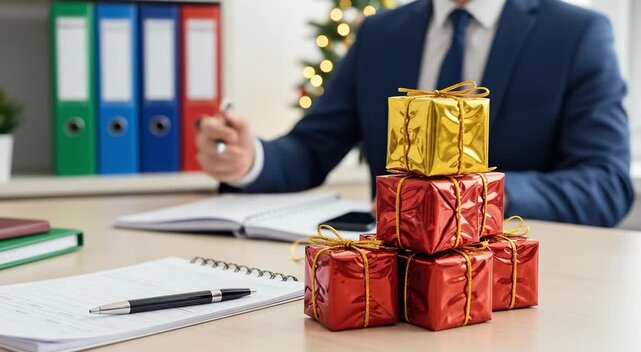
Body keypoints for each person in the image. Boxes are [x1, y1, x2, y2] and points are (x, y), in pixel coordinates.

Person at [196, 0, 634, 227]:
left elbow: (605, 185)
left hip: (517, 286)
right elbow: (311, 149)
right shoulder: (380, 34)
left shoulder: (575, 34)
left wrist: (473, 197)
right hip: (390, 283)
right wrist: (248, 159)